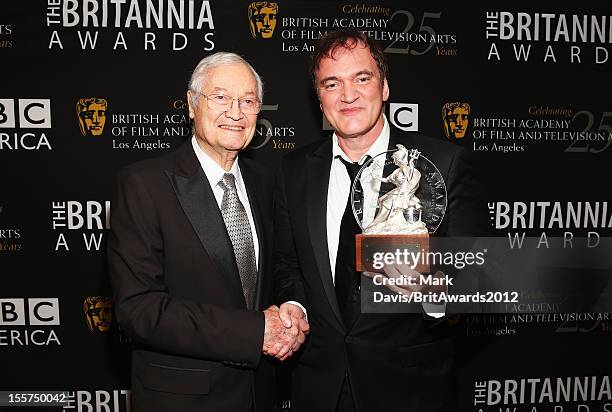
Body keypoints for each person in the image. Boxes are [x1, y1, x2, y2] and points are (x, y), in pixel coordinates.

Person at [274, 29, 481, 411]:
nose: (347, 95)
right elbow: (288, 263)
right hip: (318, 387)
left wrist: (432, 294)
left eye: (362, 78)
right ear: (319, 98)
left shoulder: (442, 165)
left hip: (410, 389)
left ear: (385, 87)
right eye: (331, 83)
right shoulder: (294, 171)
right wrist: (295, 306)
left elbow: (475, 279)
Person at [108, 52, 307, 412]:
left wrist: (292, 309)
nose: (235, 112)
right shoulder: (144, 184)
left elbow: (282, 267)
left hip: (260, 394)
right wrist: (254, 332)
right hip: (183, 399)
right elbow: (138, 309)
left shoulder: (266, 183)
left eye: (248, 101)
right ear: (191, 104)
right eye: (220, 97)